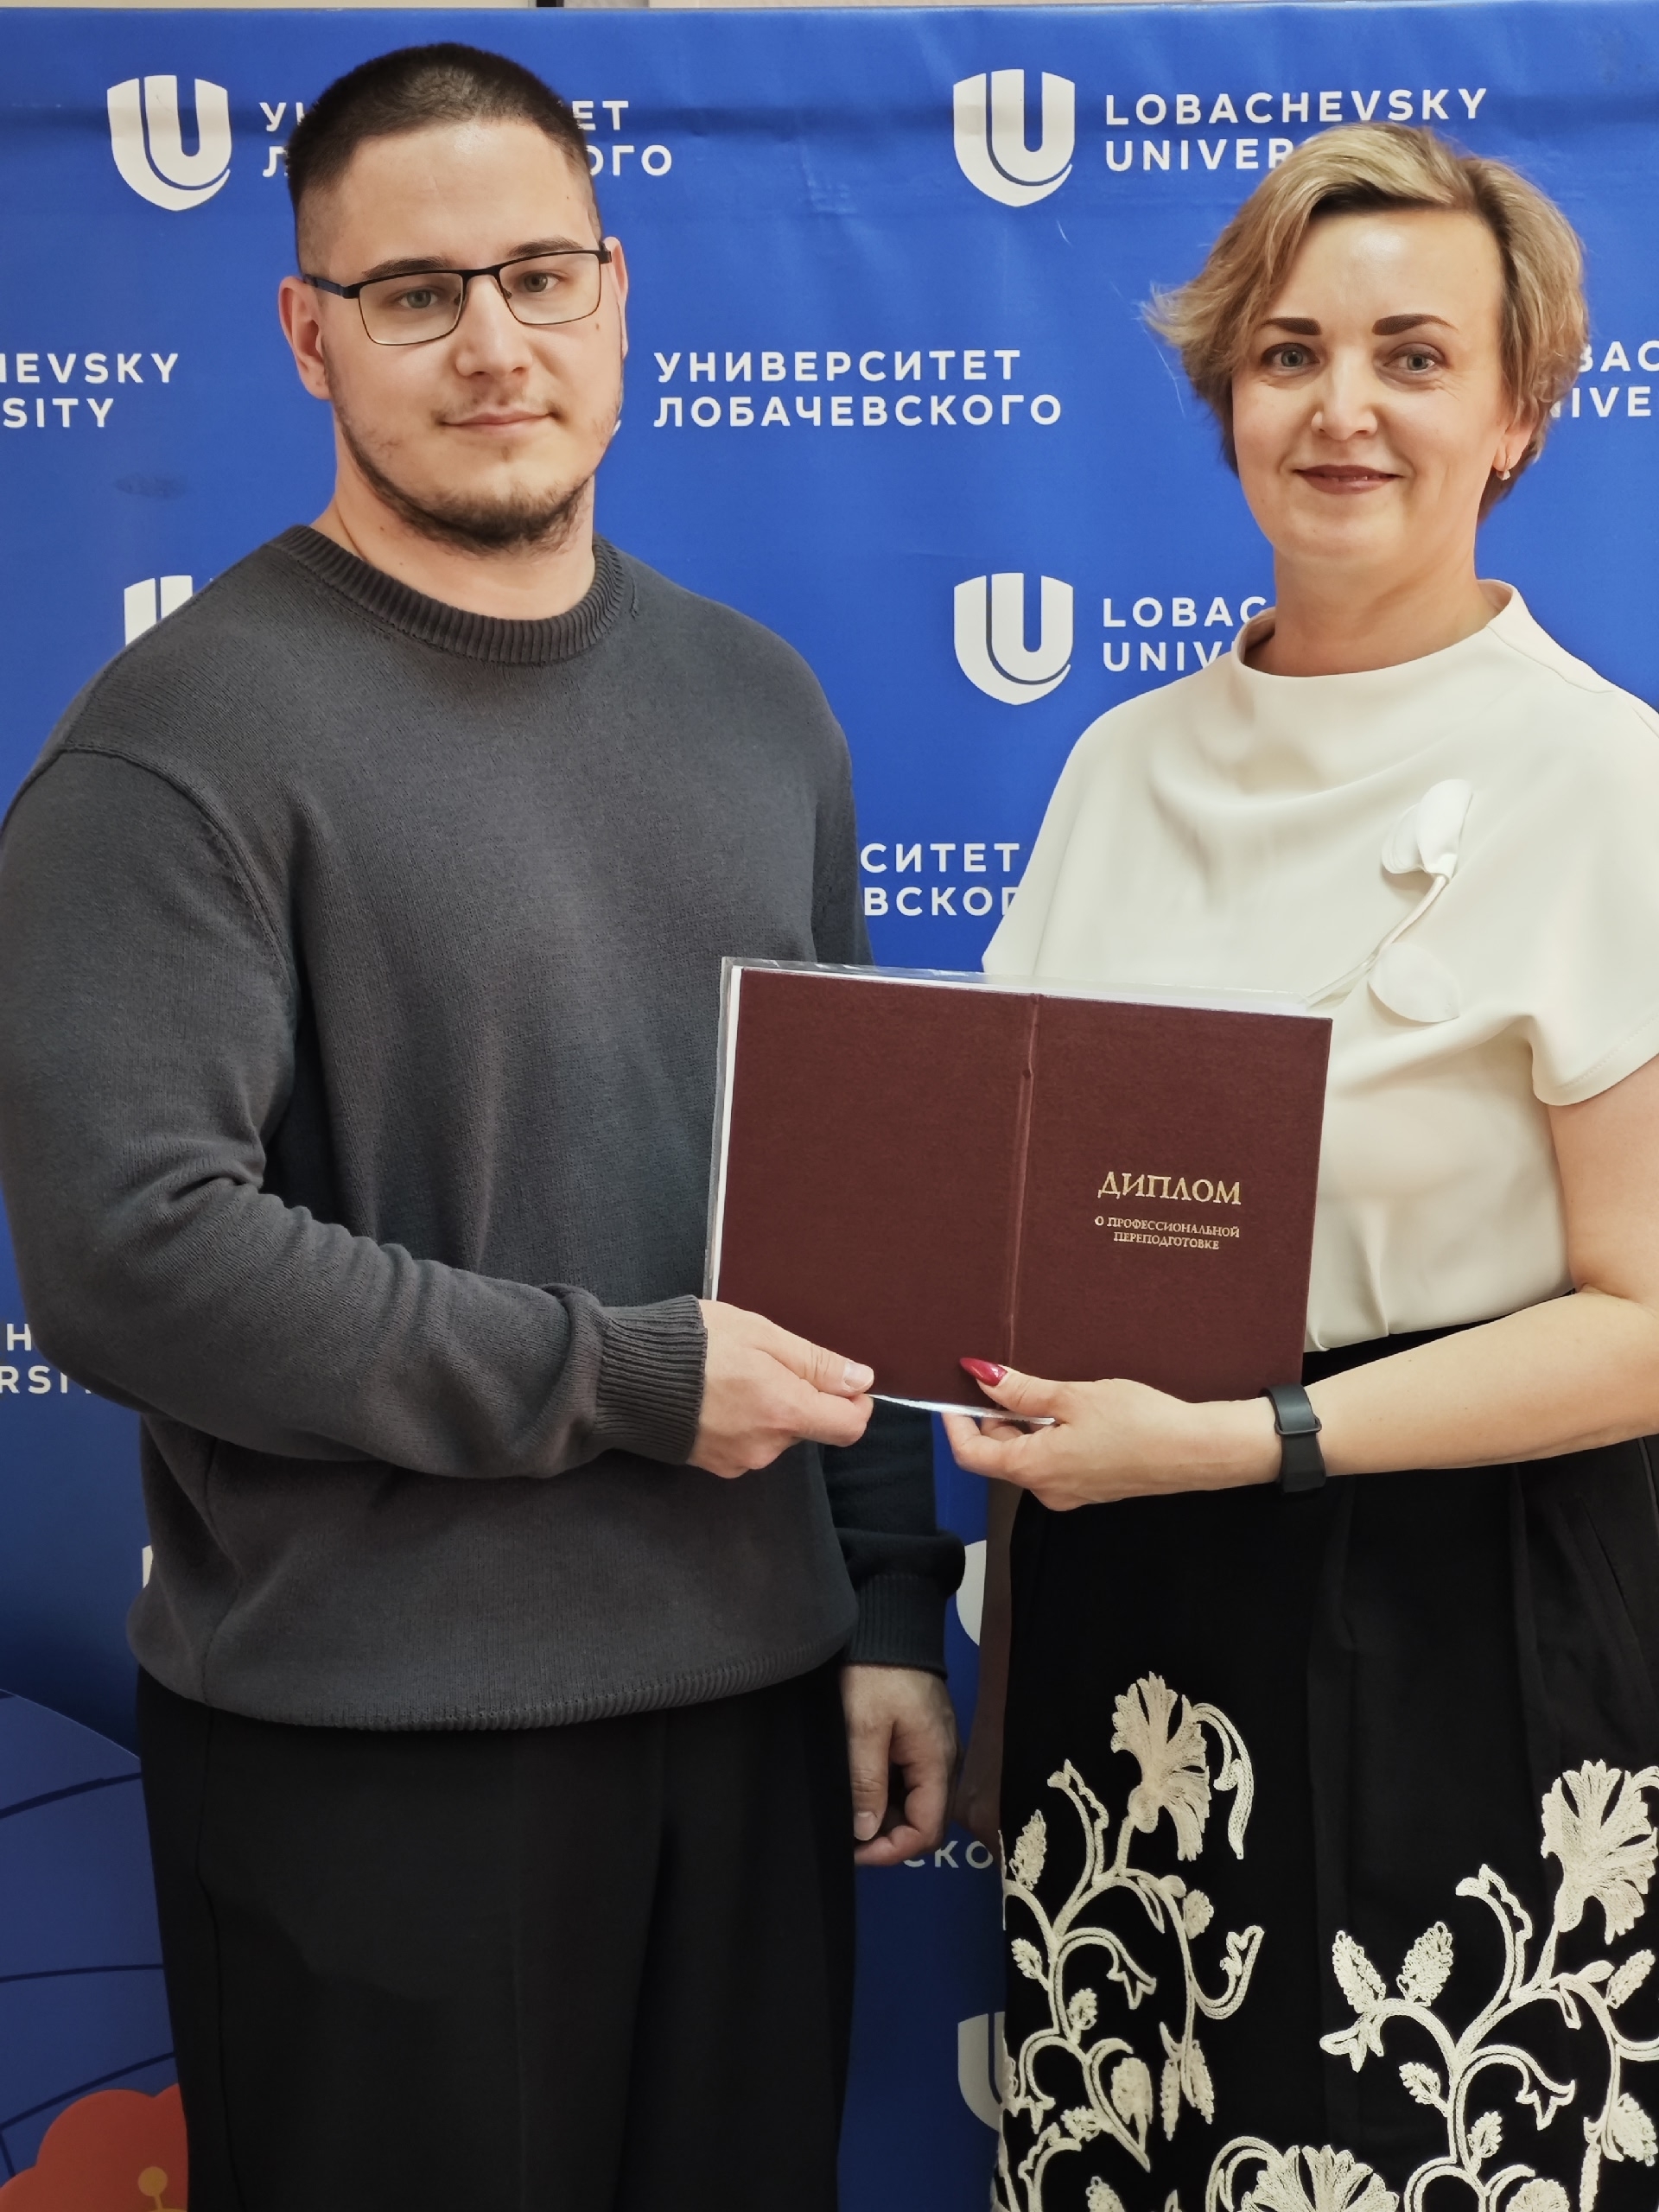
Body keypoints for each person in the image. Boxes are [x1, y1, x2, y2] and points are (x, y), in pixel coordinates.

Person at [0, 42, 962, 2212]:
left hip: (751, 1708)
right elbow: (135, 1253)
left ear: (617, 291)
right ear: (307, 331)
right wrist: (626, 1375)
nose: (495, 345)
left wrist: (892, 1598)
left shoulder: (759, 702)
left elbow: (847, 1191)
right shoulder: (176, 747)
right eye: (417, 294)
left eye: (538, 276)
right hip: (374, 1759)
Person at [950, 124, 1659, 2212]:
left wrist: (1248, 1439)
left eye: (1414, 356)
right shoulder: (1116, 764)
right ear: (1228, 398)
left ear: (1518, 411)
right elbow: (1006, 1211)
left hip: (1464, 1622)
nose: (1344, 406)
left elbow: (1647, 1321)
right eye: (1290, 353)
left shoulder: (1609, 781)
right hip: (1126, 1617)